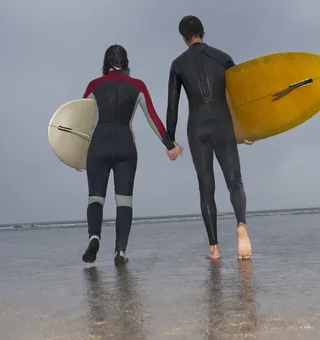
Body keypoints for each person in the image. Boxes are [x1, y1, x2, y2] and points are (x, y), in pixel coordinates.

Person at [78, 44, 180, 266]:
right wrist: (170, 144)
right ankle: (120, 252)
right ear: (125, 63)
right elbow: (153, 117)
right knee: (124, 200)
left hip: (98, 146)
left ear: (106, 62)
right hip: (125, 146)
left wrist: (76, 155)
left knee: (96, 197)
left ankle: (94, 238)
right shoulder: (137, 85)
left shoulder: (94, 85)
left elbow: (80, 121)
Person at [165, 15, 253, 260]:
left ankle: (214, 249)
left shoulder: (178, 64)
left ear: (183, 37)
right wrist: (247, 129)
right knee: (235, 182)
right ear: (202, 31)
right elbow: (239, 97)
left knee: (206, 188)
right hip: (223, 126)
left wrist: (169, 140)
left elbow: (173, 106)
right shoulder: (223, 57)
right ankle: (241, 225)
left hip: (197, 128)